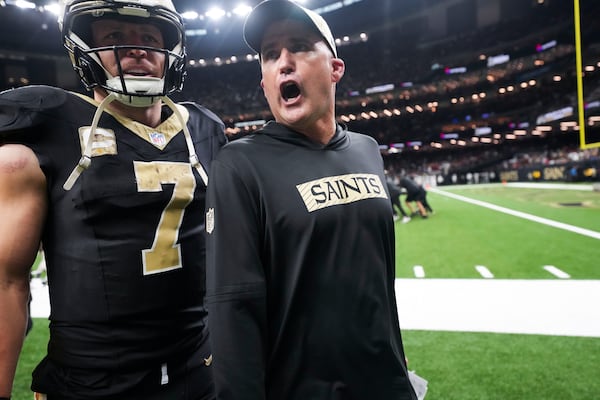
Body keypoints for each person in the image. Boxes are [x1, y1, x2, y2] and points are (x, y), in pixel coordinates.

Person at [0, 0, 227, 398]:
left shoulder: (205, 130)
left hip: (197, 370)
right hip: (91, 382)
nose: (137, 49)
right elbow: (6, 281)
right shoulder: (50, 125)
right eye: (115, 36)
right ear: (84, 47)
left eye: (149, 37)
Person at [204, 1, 418, 399]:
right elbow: (233, 312)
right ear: (265, 82)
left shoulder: (367, 150)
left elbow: (378, 282)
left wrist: (395, 356)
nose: (284, 62)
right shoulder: (239, 165)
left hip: (386, 384)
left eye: (300, 47)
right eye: (270, 55)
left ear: (335, 68)